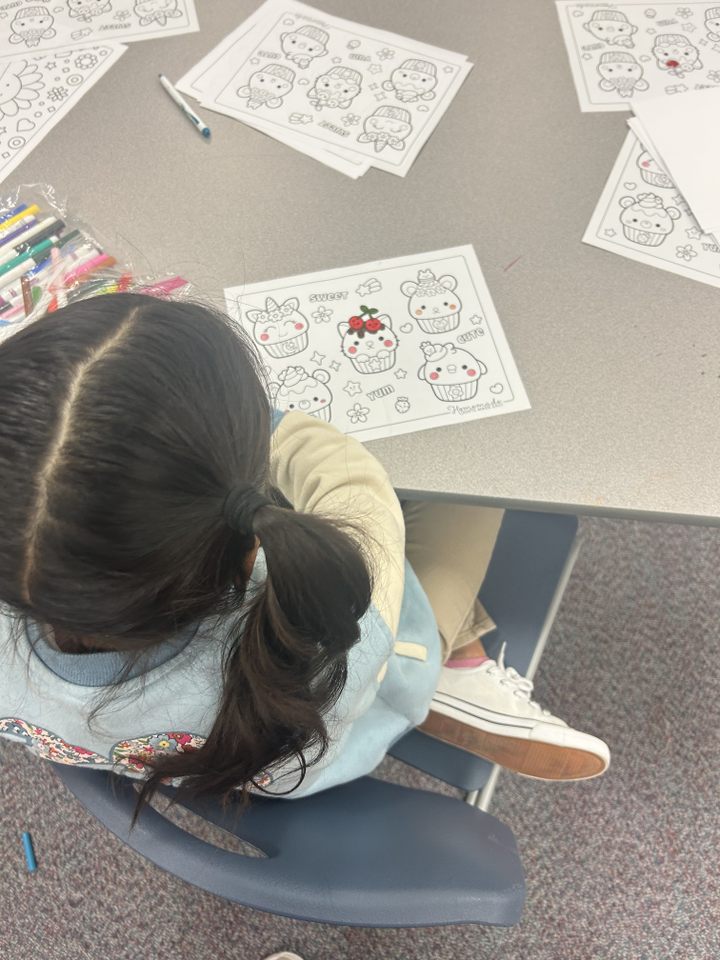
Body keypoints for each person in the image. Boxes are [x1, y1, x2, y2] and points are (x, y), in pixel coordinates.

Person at [0, 294, 608, 813]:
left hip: (212, 761)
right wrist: (268, 423)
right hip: (338, 707)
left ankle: (447, 658)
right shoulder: (309, 636)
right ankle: (438, 673)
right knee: (476, 479)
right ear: (248, 555)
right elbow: (358, 492)